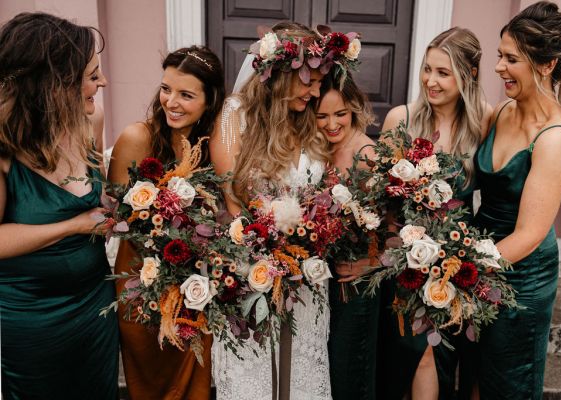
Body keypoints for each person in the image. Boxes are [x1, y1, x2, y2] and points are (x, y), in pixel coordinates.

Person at [471, 2, 561, 398]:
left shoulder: (554, 137)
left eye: (511, 59)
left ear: (546, 65)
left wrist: (460, 272)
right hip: (480, 259)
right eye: (499, 55)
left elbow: (528, 234)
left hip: (521, 280)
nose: (498, 67)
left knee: (507, 382)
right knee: (473, 376)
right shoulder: (504, 110)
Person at [209, 22, 333, 400]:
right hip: (254, 272)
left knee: (302, 375)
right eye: (309, 81)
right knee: (255, 374)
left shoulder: (311, 122)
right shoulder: (235, 115)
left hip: (307, 278)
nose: (315, 93)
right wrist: (270, 254)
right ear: (280, 73)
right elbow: (232, 200)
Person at [0, 12, 118, 399]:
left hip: (96, 306)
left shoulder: (90, 121)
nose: (102, 83)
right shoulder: (4, 149)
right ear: (55, 83)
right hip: (31, 319)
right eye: (92, 75)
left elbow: (97, 194)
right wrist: (74, 225)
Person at [378, 27, 493, 400]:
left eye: (444, 73)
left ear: (469, 74)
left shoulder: (485, 122)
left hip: (458, 261)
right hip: (404, 259)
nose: (431, 80)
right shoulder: (402, 119)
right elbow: (381, 198)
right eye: (428, 69)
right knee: (416, 354)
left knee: (449, 357)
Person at [107, 45, 224, 400]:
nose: (170, 102)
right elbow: (116, 217)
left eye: (186, 94)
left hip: (195, 292)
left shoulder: (214, 146)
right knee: (150, 385)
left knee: (194, 385)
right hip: (140, 287)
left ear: (210, 100)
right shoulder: (136, 138)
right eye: (165, 89)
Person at [315, 74, 380, 400]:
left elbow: (395, 223)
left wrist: (372, 262)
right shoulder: (318, 150)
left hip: (352, 286)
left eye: (339, 113)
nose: (331, 124)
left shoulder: (367, 154)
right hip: (319, 281)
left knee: (348, 370)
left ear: (353, 108)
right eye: (322, 116)